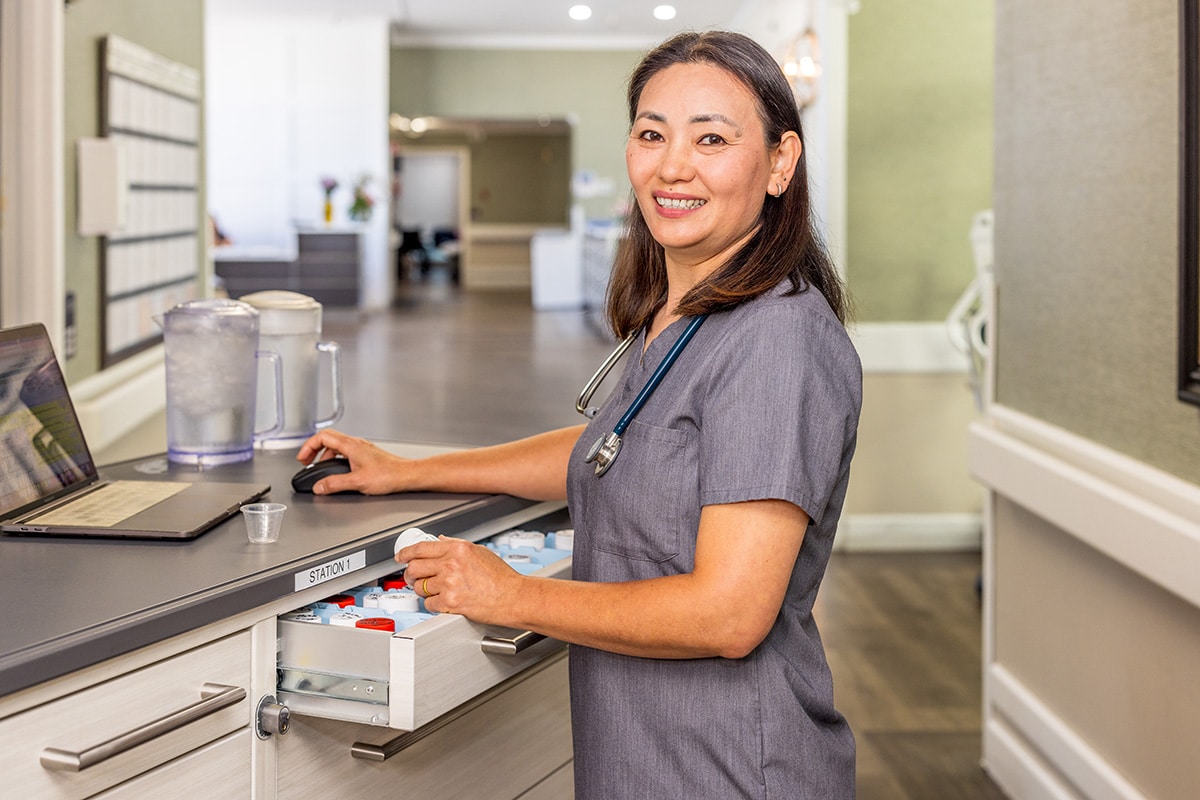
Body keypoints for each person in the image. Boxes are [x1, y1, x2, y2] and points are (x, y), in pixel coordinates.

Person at [297, 30, 861, 800]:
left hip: (730, 765)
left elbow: (729, 612)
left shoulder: (776, 340)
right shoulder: (686, 314)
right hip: (643, 749)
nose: (673, 166)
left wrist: (511, 594)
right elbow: (615, 445)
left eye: (713, 139)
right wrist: (408, 469)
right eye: (652, 133)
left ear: (779, 163)